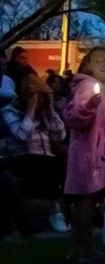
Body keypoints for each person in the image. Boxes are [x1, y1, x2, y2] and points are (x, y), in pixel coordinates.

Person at [63, 47, 105, 264]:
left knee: (87, 202)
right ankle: (82, 250)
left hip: (97, 154)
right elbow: (73, 116)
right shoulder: (88, 87)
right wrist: (88, 106)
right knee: (86, 202)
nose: (104, 65)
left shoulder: (100, 87)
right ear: (87, 64)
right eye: (98, 61)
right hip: (90, 155)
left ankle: (78, 249)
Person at [6, 74, 68, 232]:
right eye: (36, 97)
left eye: (42, 97)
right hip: (24, 157)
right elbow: (21, 135)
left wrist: (51, 109)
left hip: (47, 158)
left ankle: (58, 211)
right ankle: (55, 210)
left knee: (60, 164)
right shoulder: (11, 111)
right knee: (52, 164)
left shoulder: (45, 113)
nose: (39, 101)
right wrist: (30, 110)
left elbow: (60, 135)